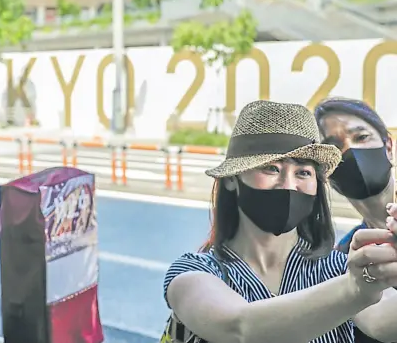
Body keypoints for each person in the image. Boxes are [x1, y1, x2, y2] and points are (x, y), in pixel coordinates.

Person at [162, 100, 397, 343]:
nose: (288, 185)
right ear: (232, 179)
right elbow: (239, 328)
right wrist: (354, 290)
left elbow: (383, 323)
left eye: (303, 173)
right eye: (271, 169)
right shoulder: (195, 272)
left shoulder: (339, 266)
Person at [315, 97, 396, 343]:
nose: (349, 151)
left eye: (361, 137)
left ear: (388, 147)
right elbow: (382, 325)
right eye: (334, 147)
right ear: (326, 172)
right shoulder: (344, 257)